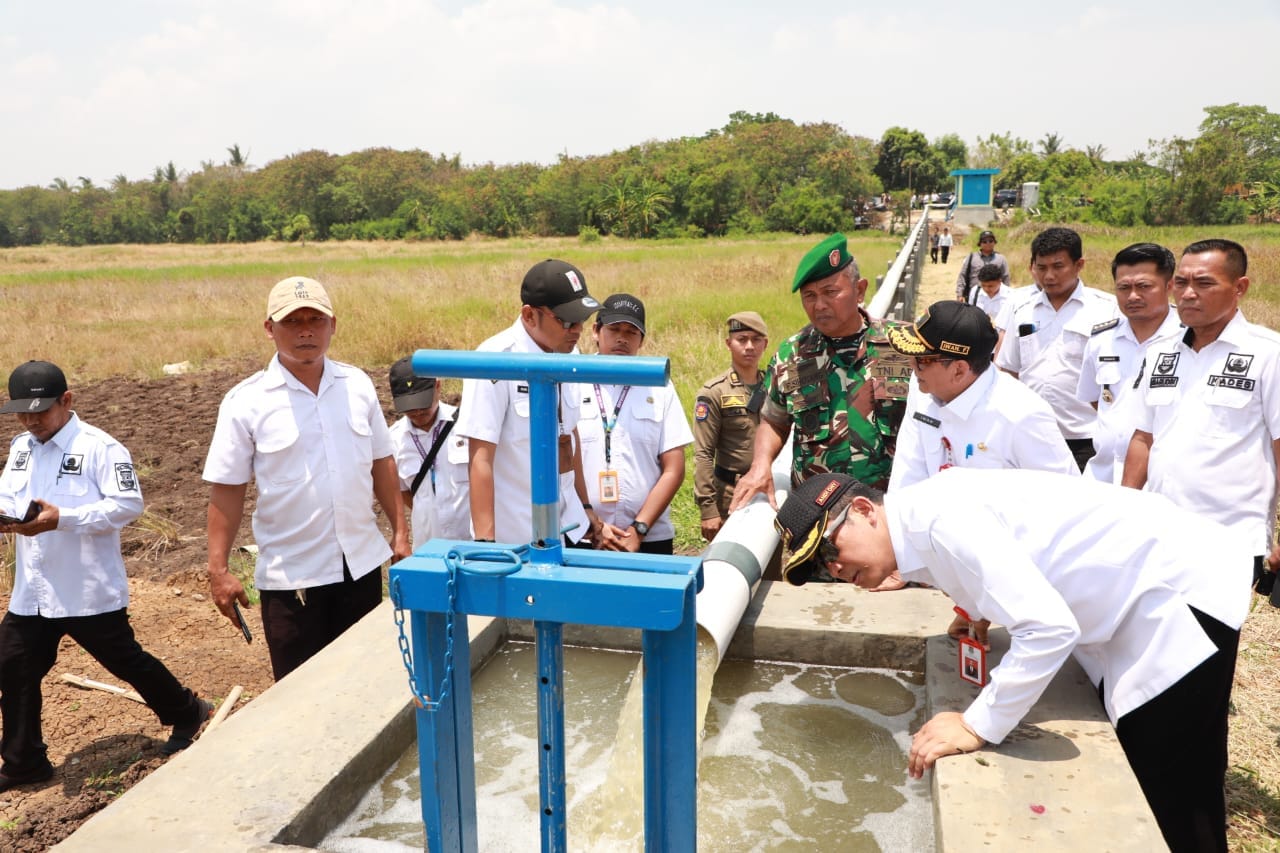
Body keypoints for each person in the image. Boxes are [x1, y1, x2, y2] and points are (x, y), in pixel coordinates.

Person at [774, 469, 1250, 852]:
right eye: (818, 568)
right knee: (1175, 778)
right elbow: (1010, 553)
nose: (834, 571)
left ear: (862, 510)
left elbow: (1050, 628)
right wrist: (974, 608)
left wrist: (977, 724)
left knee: (1170, 791)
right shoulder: (924, 515)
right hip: (1142, 597)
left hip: (1177, 599)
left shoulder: (941, 520)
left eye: (829, 551)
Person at [0, 361, 212, 791]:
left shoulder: (101, 447)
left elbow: (127, 505)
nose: (30, 420)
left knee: (125, 660)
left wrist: (65, 519)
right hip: (34, 591)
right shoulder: (22, 447)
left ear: (67, 401)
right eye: (21, 412)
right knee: (13, 666)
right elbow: (9, 493)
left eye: (39, 411)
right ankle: (24, 763)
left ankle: (189, 711)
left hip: (85, 588)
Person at [203, 276, 410, 681]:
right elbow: (227, 490)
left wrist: (401, 531)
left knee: (365, 682)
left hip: (361, 568)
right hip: (292, 578)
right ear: (269, 328)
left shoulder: (357, 385)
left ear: (333, 324)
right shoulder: (246, 401)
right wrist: (219, 570)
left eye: (315, 319)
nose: (305, 331)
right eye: (292, 321)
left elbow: (382, 462)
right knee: (301, 691)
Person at [883, 301, 1076, 604]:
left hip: (1010, 577)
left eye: (922, 361)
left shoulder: (1020, 414)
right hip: (938, 565)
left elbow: (1064, 507)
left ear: (959, 369)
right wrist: (901, 561)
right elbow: (908, 473)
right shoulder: (923, 389)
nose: (913, 367)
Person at [1122, 239, 1280, 603]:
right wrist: (1124, 508)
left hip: (1230, 540)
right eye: (1181, 283)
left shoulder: (1266, 354)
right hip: (1160, 533)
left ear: (1240, 288)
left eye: (1204, 283)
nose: (1189, 294)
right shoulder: (1162, 354)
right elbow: (1143, 437)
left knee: (1211, 651)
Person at [729, 233, 902, 513]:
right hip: (818, 516)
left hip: (890, 514)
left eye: (830, 292)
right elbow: (773, 421)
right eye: (809, 296)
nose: (819, 305)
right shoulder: (791, 355)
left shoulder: (902, 346)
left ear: (860, 290)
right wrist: (760, 466)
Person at [455, 259, 601, 547]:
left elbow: (569, 436)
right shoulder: (496, 360)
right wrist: (486, 545)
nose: (578, 330)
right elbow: (480, 456)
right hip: (518, 537)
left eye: (582, 320)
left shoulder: (568, 353)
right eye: (567, 321)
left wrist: (584, 506)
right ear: (529, 315)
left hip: (568, 527)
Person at [577, 294, 693, 554]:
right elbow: (561, 462)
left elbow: (674, 468)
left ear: (642, 339)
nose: (622, 338)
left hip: (649, 537)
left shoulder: (659, 385)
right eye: (614, 329)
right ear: (596, 331)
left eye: (631, 332)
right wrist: (592, 523)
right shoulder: (573, 380)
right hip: (584, 535)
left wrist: (639, 528)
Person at [994, 227, 1117, 471]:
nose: (1049, 275)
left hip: (1086, 437)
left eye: (1058, 266)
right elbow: (1008, 371)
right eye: (1042, 267)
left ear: (1079, 264)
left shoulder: (1107, 310)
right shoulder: (1023, 310)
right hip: (1031, 435)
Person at [1076, 243, 1182, 484]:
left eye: (1144, 286)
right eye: (1124, 287)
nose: (1133, 296)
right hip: (1102, 475)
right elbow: (1097, 399)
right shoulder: (1102, 339)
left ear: (1169, 285)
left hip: (1161, 481)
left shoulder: (1189, 340)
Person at [692, 311, 769, 542]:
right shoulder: (714, 392)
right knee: (731, 564)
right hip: (729, 495)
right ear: (729, 343)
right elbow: (704, 453)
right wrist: (708, 508)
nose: (749, 346)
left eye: (756, 340)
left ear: (765, 344)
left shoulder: (775, 388)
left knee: (769, 566)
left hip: (767, 490)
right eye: (741, 339)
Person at [387, 356, 471, 549]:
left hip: (472, 545)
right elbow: (401, 492)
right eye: (409, 406)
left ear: (438, 386)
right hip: (429, 546)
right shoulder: (393, 439)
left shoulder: (466, 425)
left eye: (422, 403)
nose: (417, 412)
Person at [954, 230, 1011, 303]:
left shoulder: (1001, 258)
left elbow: (1005, 277)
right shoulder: (972, 257)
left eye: (990, 241)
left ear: (994, 242)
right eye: (984, 241)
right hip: (974, 297)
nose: (988, 243)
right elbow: (963, 276)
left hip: (995, 297)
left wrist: (1007, 296)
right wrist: (959, 294)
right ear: (980, 243)